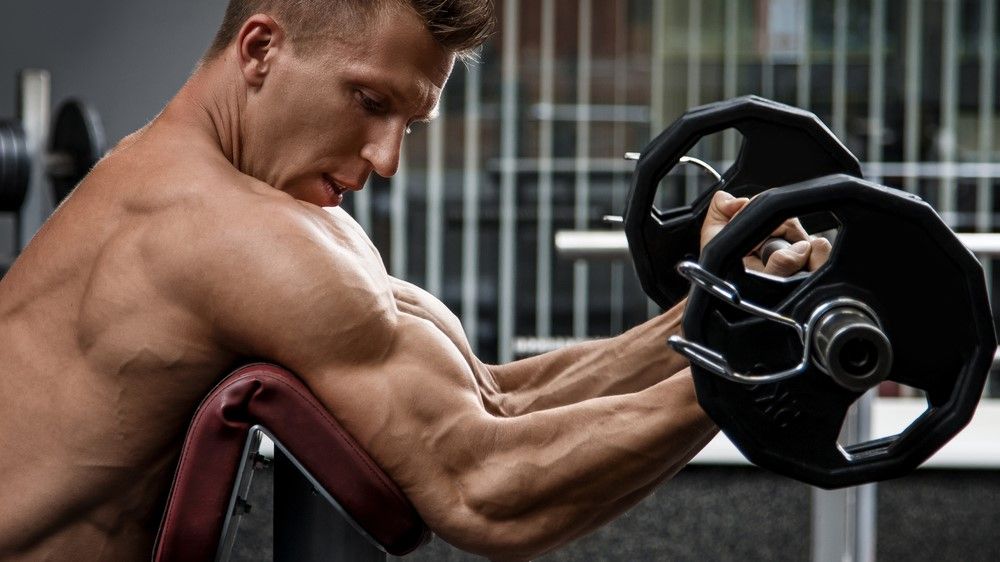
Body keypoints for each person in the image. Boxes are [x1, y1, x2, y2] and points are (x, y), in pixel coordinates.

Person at [0, 1, 827, 559]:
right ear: (260, 50)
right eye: (367, 101)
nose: (387, 158)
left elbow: (494, 401)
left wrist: (721, 307)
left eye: (408, 121)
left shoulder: (245, 209)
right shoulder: (219, 235)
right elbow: (484, 489)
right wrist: (762, 367)